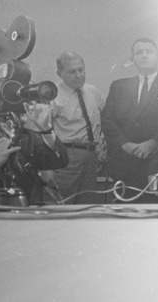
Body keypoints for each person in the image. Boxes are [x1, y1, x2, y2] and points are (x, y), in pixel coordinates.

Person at [100, 38, 158, 202]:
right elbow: (107, 119)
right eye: (139, 52)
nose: (144, 56)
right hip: (125, 164)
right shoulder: (119, 86)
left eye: (149, 51)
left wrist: (154, 142)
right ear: (132, 59)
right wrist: (124, 143)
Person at [31, 52, 104, 203]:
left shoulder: (93, 92)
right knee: (61, 203)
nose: (79, 75)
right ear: (59, 73)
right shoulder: (51, 95)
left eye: (81, 69)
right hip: (64, 157)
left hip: (91, 157)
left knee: (87, 205)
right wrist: (46, 167)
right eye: (72, 71)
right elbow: (37, 132)